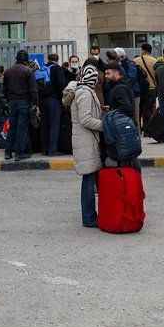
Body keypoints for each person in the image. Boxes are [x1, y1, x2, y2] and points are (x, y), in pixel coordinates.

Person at [69, 61, 104, 227]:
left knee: (90, 179)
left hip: (87, 140)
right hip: (86, 141)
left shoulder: (85, 90)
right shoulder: (84, 93)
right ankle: (89, 218)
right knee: (89, 180)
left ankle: (91, 215)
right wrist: (104, 125)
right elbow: (85, 119)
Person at [2, 50, 39, 161]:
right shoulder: (28, 71)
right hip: (24, 102)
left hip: (12, 102)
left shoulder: (8, 71)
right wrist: (35, 103)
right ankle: (19, 153)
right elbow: (33, 90)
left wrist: (8, 101)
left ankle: (8, 152)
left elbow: (5, 89)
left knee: (12, 127)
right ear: (26, 60)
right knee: (21, 128)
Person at [42, 53, 67, 155]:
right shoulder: (57, 68)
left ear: (48, 59)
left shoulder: (42, 68)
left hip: (43, 100)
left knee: (45, 125)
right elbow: (61, 84)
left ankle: (45, 149)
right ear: (57, 60)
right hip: (54, 100)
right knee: (54, 125)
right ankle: (52, 150)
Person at [133, 43, 158, 133]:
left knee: (138, 110)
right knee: (149, 110)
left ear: (143, 50)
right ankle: (148, 130)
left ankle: (138, 129)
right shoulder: (155, 61)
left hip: (139, 89)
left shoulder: (135, 61)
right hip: (152, 89)